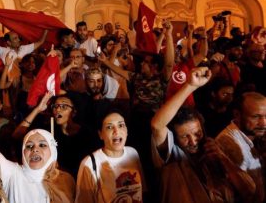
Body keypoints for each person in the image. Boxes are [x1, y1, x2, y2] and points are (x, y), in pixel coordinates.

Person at [151, 67, 256, 203]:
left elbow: (249, 191)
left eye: (197, 134)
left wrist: (223, 158)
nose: (193, 141)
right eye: (184, 137)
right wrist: (190, 86)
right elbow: (157, 125)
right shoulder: (172, 155)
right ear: (174, 138)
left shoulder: (213, 150)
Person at [0, 88, 75, 202]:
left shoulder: (66, 180)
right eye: (29, 146)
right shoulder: (12, 174)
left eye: (42, 145)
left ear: (53, 152)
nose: (35, 149)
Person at [75, 110, 145, 203]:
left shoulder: (133, 153)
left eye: (121, 125)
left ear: (127, 130)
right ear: (101, 134)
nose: (116, 131)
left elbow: (142, 191)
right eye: (109, 127)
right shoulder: (89, 163)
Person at [216, 92, 266, 203]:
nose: (263, 123)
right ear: (237, 115)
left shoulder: (256, 136)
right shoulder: (228, 143)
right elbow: (252, 195)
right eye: (256, 117)